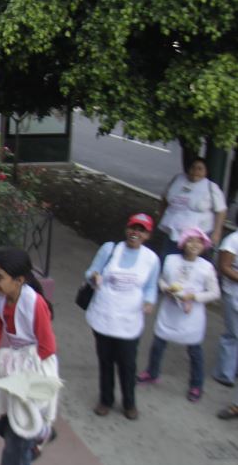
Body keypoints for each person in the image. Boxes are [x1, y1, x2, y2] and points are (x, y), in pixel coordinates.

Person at [0, 248, 58, 465]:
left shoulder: (35, 304)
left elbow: (47, 348)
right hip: (15, 365)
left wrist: (26, 382)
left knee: (15, 432)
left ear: (19, 280)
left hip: (35, 368)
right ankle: (37, 433)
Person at [84, 213, 160, 420]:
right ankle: (105, 399)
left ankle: (129, 402)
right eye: (133, 228)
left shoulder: (151, 259)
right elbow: (91, 272)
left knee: (128, 363)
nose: (135, 233)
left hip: (129, 318)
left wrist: (149, 302)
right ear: (126, 229)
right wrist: (94, 276)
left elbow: (151, 286)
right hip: (105, 314)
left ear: (147, 235)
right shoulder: (110, 249)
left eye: (141, 230)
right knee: (105, 360)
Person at [137, 227, 219, 401]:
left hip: (192, 316)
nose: (194, 244)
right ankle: (152, 372)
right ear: (183, 243)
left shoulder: (207, 267)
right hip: (170, 309)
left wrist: (194, 296)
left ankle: (196, 385)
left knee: (194, 350)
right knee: (158, 343)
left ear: (204, 245)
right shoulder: (170, 260)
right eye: (191, 240)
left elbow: (214, 293)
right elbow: (161, 279)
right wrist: (166, 288)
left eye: (199, 241)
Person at [156, 158, 227, 257]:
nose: (195, 171)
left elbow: (221, 211)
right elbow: (165, 198)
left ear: (206, 172)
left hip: (196, 238)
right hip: (172, 232)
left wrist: (216, 232)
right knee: (169, 260)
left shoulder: (211, 187)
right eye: (193, 168)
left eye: (200, 169)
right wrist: (160, 215)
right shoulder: (178, 179)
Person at [212, 228, 238, 388]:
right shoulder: (233, 240)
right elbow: (224, 267)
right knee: (233, 334)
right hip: (233, 293)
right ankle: (224, 373)